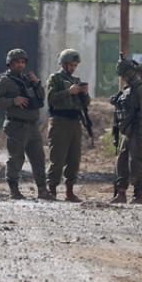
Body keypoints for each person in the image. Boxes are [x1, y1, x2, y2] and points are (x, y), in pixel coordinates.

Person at [0, 49, 53, 200]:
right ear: (9, 64)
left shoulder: (27, 79)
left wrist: (37, 83)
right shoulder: (4, 81)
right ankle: (14, 190)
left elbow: (41, 98)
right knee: (16, 158)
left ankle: (42, 190)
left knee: (38, 158)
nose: (20, 65)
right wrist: (13, 101)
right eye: (16, 62)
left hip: (32, 125)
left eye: (22, 62)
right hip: (16, 125)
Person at [45, 49, 89, 202]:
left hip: (74, 121)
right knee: (57, 157)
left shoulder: (76, 80)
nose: (73, 68)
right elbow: (51, 98)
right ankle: (52, 189)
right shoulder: (55, 78)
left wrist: (84, 93)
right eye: (70, 65)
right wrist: (68, 92)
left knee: (74, 158)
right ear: (63, 64)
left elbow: (85, 104)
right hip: (60, 121)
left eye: (75, 65)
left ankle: (69, 191)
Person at [111, 58, 142, 204]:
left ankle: (139, 195)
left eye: (125, 73)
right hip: (127, 131)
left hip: (139, 130)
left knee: (137, 162)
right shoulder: (128, 89)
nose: (124, 77)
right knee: (121, 161)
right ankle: (121, 193)